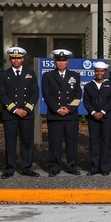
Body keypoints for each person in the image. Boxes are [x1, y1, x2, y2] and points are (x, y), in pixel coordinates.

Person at [0, 46, 40, 178]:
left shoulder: (30, 73)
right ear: (10, 59)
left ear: (23, 59)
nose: (16, 60)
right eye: (13, 58)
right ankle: (9, 168)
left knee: (27, 142)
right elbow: (1, 94)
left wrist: (26, 109)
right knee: (10, 142)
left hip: (27, 114)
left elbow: (35, 93)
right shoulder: (4, 75)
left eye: (18, 58)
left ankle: (27, 168)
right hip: (10, 114)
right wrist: (15, 109)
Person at [43, 49, 82, 177]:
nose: (61, 63)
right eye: (59, 61)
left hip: (71, 115)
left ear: (67, 62)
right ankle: (54, 166)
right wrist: (58, 109)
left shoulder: (75, 75)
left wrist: (69, 109)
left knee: (72, 141)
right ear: (55, 62)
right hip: (55, 114)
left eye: (63, 60)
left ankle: (72, 166)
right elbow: (47, 95)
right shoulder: (48, 76)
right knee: (55, 142)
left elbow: (78, 94)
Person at [82, 61, 111, 176]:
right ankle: (94, 166)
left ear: (105, 72)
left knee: (106, 141)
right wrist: (93, 112)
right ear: (94, 72)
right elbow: (86, 101)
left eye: (101, 71)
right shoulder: (89, 85)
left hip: (107, 117)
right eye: (97, 71)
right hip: (93, 117)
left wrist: (102, 111)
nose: (99, 73)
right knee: (94, 142)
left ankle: (105, 167)